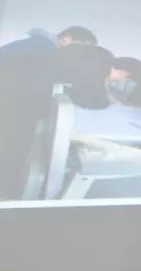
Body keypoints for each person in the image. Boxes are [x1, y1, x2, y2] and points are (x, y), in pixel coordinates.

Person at [0, 26, 98, 199]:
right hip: (11, 107)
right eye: (81, 49)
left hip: (10, 103)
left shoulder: (37, 45)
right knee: (13, 149)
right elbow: (34, 88)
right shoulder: (44, 51)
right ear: (66, 40)